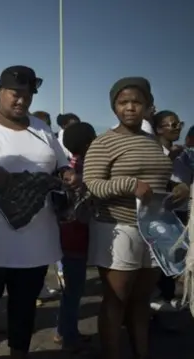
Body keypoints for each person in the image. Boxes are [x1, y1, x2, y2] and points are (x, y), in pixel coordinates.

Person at [0, 65, 78, 358]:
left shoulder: (41, 128)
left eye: (27, 95)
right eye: (15, 94)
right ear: (0, 93)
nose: (21, 101)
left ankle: (19, 352)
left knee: (24, 301)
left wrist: (67, 175)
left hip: (36, 235)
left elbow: (60, 164)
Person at [83, 77, 186, 359]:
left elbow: (162, 180)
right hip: (118, 227)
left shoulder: (155, 143)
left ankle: (142, 353)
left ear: (148, 107)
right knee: (116, 300)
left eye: (137, 102)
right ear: (114, 106)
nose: (130, 107)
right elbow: (92, 184)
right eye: (123, 102)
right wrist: (129, 184)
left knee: (142, 300)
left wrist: (178, 188)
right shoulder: (104, 142)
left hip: (155, 229)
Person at [54, 122, 97, 353]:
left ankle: (65, 331)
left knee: (70, 290)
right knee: (74, 290)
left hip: (66, 236)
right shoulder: (85, 170)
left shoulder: (68, 167)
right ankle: (67, 336)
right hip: (76, 237)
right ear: (89, 143)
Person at [149, 110, 190, 314]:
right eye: (171, 125)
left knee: (174, 259)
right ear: (158, 129)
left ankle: (165, 303)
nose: (177, 128)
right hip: (162, 215)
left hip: (182, 213)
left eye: (179, 124)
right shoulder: (154, 153)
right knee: (159, 262)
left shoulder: (183, 154)